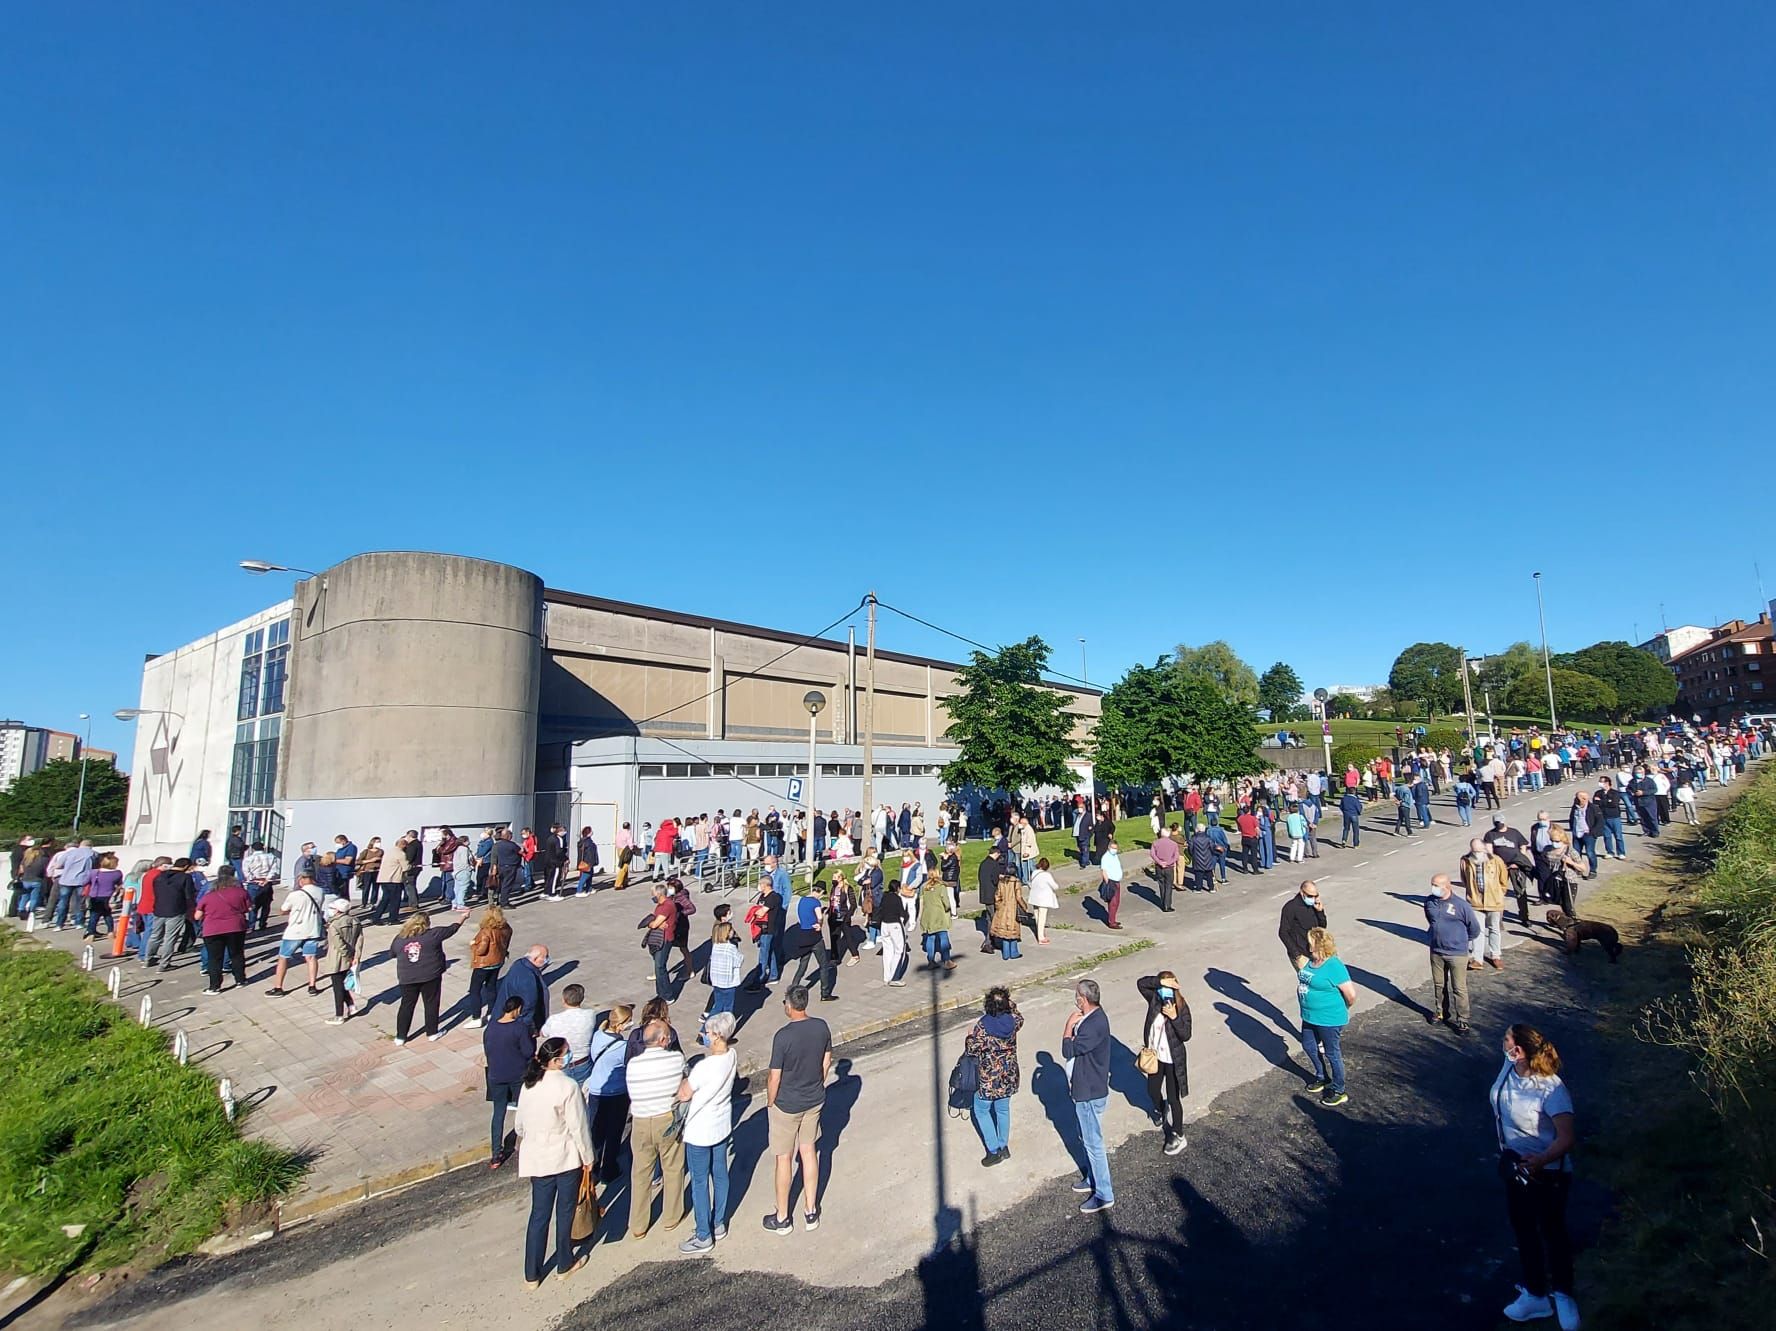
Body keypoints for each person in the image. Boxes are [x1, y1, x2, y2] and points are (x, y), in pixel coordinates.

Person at [1494, 1025, 1580, 1330]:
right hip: (1515, 1168)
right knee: (1524, 1231)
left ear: (1518, 1051)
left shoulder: (1551, 1089)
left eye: (1506, 1039)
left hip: (1548, 1174)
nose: (1501, 1043)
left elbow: (1567, 1138)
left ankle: (1564, 1295)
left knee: (1553, 1233)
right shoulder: (1510, 1067)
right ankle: (1536, 1295)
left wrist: (1541, 1160)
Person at [514, 1036, 595, 1287]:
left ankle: (532, 1273)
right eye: (567, 1053)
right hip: (564, 1156)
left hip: (537, 1157)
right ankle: (564, 1262)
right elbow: (579, 1127)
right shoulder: (567, 1086)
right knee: (565, 1211)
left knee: (539, 1214)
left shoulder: (529, 1085)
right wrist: (588, 1158)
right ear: (557, 1059)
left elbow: (519, 1125)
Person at [762, 985, 832, 1235]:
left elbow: (774, 1077)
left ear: (789, 1006)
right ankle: (810, 1210)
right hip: (813, 1099)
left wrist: (770, 1101)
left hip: (787, 1105)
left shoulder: (783, 1036)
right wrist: (818, 1082)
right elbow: (827, 1059)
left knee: (784, 1158)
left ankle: (782, 1217)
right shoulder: (821, 1026)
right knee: (809, 1151)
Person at [677, 1009, 739, 1254]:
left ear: (715, 1036)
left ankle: (703, 1234)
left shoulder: (705, 1067)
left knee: (699, 1181)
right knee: (720, 1174)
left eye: (706, 1032)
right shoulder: (731, 1056)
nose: (704, 1035)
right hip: (721, 1125)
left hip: (701, 1129)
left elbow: (684, 1093)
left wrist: (685, 1078)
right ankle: (719, 1222)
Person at [625, 1018, 688, 1239]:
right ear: (662, 1039)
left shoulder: (633, 1064)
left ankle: (638, 1224)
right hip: (667, 1118)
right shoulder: (675, 1059)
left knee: (640, 1173)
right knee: (673, 1168)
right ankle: (671, 1216)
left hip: (641, 1120)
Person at [1064, 978, 1114, 1213]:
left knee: (1094, 1143)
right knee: (1086, 1138)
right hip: (1090, 1087)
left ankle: (1104, 1193)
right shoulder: (1096, 1017)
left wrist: (1067, 1028)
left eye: (1077, 996)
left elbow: (1068, 1050)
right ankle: (1092, 1179)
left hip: (1089, 1091)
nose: (1076, 1000)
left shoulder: (1093, 1024)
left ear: (1082, 999)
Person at [1295, 927, 1356, 1106]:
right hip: (1309, 1016)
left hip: (1329, 1019)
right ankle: (1322, 1077)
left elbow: (1350, 994)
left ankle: (1339, 1088)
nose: (1307, 945)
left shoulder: (1334, 966)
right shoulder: (1311, 962)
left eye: (1310, 942)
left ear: (1318, 945)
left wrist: (1342, 1008)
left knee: (1332, 1052)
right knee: (1308, 1045)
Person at [964, 986, 1023, 1165]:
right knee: (1003, 1110)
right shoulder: (1014, 1022)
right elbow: (1018, 1014)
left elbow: (972, 1050)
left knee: (981, 1110)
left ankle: (993, 1150)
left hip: (990, 1078)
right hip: (1009, 1075)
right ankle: (1003, 1146)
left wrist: (969, 1037)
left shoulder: (983, 1026)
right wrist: (1008, 1004)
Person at [391, 908, 468, 1044]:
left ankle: (400, 1037)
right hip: (430, 976)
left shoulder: (400, 938)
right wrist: (463, 917)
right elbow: (452, 929)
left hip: (407, 978)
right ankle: (432, 1032)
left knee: (406, 1005)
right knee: (431, 1003)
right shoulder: (434, 934)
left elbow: (392, 954)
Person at [1136, 970, 1193, 1153]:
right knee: (1152, 1091)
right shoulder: (1154, 1001)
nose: (1165, 993)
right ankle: (1161, 1108)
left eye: (1169, 988)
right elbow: (1141, 983)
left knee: (1174, 1098)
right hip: (1156, 1057)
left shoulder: (1182, 1007)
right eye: (1162, 988)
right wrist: (1160, 981)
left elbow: (1186, 1034)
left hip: (1173, 1060)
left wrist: (1174, 1017)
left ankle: (1179, 1134)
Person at [1425, 874, 1481, 1035]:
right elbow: (1431, 920)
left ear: (1447, 886)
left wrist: (1459, 941)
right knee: (1439, 984)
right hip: (1436, 951)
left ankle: (1463, 1019)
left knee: (1459, 988)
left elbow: (1474, 929)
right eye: (1432, 884)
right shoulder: (1429, 902)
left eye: (1436, 885)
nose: (1433, 888)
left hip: (1457, 954)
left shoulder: (1461, 905)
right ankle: (1441, 1012)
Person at [583, 1005, 633, 1183]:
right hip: (617, 1092)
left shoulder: (598, 1035)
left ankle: (593, 1170)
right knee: (614, 1133)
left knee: (597, 1131)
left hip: (597, 1089)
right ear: (621, 1025)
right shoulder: (622, 1047)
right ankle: (609, 1170)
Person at [484, 995, 535, 1167]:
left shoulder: (490, 1029)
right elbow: (528, 1052)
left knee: (498, 1113)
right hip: (516, 1075)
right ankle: (529, 1142)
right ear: (517, 1009)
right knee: (525, 1107)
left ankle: (496, 1154)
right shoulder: (519, 1028)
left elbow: (488, 1050)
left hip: (496, 1075)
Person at [194, 866, 252, 994]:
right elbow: (249, 908)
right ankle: (240, 980)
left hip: (212, 929)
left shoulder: (208, 897)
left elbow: (197, 916)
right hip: (236, 927)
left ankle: (214, 987)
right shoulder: (241, 892)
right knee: (237, 954)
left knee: (214, 958)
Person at [266, 874, 326, 995]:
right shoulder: (320, 891)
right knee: (311, 957)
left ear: (302, 880)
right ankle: (312, 986)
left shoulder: (295, 895)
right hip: (313, 929)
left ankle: (278, 987)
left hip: (295, 931)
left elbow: (283, 910)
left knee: (283, 958)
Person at [1461, 838, 1510, 972]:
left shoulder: (1496, 860)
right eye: (1473, 850)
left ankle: (1496, 955)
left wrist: (1500, 893)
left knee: (1494, 928)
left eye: (1478, 850)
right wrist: (1471, 894)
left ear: (1484, 848)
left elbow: (1503, 879)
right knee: (1478, 930)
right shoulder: (1465, 860)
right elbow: (1464, 879)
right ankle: (1477, 959)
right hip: (1475, 901)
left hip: (1494, 901)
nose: (1476, 853)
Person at [540, 984, 599, 1086]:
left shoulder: (554, 1019)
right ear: (582, 999)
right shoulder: (590, 1015)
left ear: (563, 1000)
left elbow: (543, 1034)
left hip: (560, 1064)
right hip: (583, 1062)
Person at [786, 886, 836, 1001]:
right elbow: (819, 917)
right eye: (822, 894)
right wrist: (820, 922)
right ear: (820, 891)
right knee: (823, 965)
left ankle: (791, 991)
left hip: (803, 936)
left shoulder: (802, 900)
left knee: (802, 965)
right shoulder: (816, 902)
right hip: (814, 937)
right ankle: (825, 993)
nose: (821, 896)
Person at [318, 897, 363, 1022]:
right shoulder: (355, 921)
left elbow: (339, 944)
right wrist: (356, 956)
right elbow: (359, 940)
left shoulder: (334, 925)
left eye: (332, 908)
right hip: (351, 957)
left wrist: (348, 956)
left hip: (337, 959)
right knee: (342, 985)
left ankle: (339, 1015)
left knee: (337, 987)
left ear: (338, 911)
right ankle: (351, 1006)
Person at [466, 904, 512, 1026]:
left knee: (475, 990)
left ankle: (476, 1018)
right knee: (491, 987)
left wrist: (473, 945)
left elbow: (481, 950)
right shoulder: (506, 928)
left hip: (484, 964)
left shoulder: (485, 932)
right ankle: (492, 1012)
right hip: (497, 962)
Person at [496, 944, 551, 1034]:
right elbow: (529, 1006)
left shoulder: (520, 964)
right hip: (519, 1024)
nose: (547, 960)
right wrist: (529, 1029)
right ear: (535, 959)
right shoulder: (528, 979)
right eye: (545, 957)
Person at [1278, 880, 1327, 971]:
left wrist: (1320, 912)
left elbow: (1322, 927)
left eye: (1315, 896)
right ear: (1302, 893)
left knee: (1320, 981)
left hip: (1316, 951)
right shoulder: (1290, 907)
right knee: (1307, 982)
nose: (1313, 898)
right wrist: (1297, 955)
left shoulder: (1314, 906)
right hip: (1301, 954)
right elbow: (1283, 932)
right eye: (1310, 896)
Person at [877, 874, 912, 986]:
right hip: (895, 925)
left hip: (884, 925)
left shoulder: (884, 896)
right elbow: (903, 914)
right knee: (900, 950)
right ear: (897, 888)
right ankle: (895, 978)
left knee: (887, 951)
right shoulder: (897, 899)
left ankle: (887, 977)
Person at [919, 869, 957, 969]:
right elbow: (946, 901)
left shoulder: (924, 887)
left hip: (927, 915)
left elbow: (921, 901)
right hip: (939, 915)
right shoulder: (941, 886)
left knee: (930, 938)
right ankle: (947, 960)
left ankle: (931, 960)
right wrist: (948, 908)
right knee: (943, 936)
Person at [989, 868, 1030, 960]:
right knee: (1013, 931)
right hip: (1013, 908)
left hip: (1003, 908)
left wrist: (999, 906)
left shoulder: (1002, 882)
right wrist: (1024, 906)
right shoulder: (1016, 882)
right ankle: (1014, 952)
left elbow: (997, 896)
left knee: (1004, 932)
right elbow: (1019, 897)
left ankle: (1006, 953)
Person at [1026, 857, 1060, 943]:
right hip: (1043, 899)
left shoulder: (1034, 873)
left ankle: (1039, 932)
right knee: (1042, 918)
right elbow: (1055, 886)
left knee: (1037, 916)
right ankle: (1041, 937)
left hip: (1034, 897)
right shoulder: (1047, 875)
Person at [1149, 826, 1179, 911]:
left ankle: (1163, 902)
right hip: (1169, 867)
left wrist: (1160, 862)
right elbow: (1176, 856)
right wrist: (1168, 863)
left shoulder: (1155, 843)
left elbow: (1152, 854)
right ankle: (1167, 905)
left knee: (1161, 885)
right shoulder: (1173, 844)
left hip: (1159, 867)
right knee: (1168, 886)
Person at [1100, 838, 1125, 931]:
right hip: (1111, 882)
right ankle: (1112, 922)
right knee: (1113, 903)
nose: (1114, 850)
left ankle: (1113, 918)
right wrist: (1108, 883)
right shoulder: (1106, 857)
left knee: (1117, 902)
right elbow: (1104, 871)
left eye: (1116, 848)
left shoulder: (1115, 856)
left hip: (1117, 881)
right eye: (1113, 848)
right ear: (1109, 847)